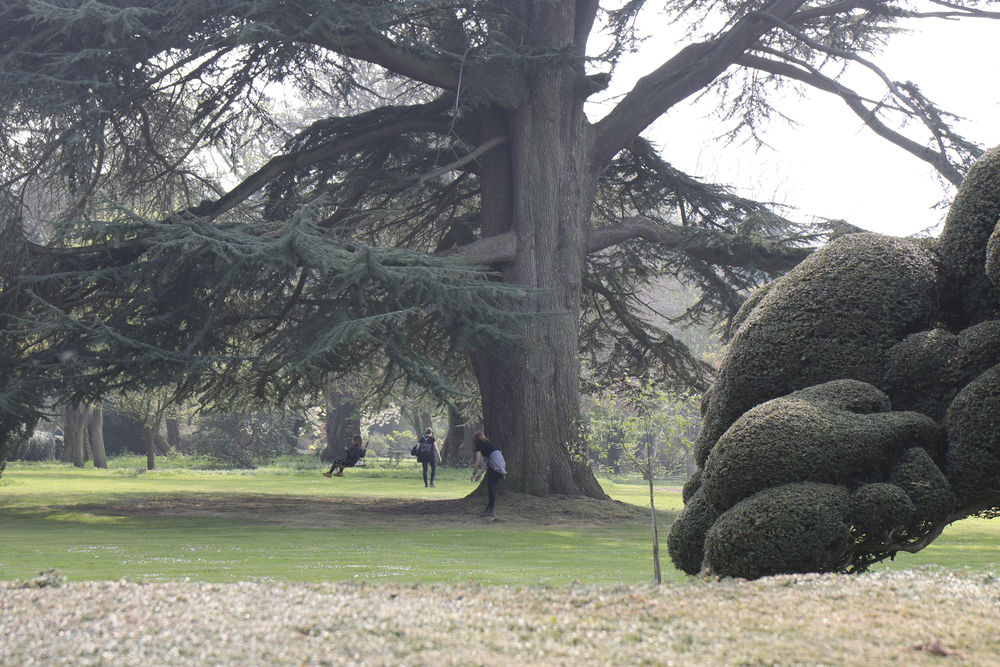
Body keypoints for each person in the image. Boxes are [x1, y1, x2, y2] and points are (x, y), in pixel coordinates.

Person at [471, 431, 506, 520]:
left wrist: (474, 474)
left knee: (491, 487)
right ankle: (489, 509)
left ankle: (491, 510)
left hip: (495, 465)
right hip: (500, 462)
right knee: (491, 487)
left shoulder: (479, 445)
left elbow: (478, 461)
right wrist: (480, 473)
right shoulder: (488, 444)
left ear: (475, 440)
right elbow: (487, 461)